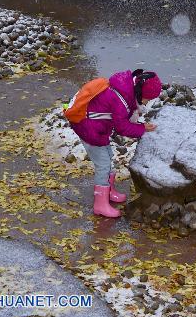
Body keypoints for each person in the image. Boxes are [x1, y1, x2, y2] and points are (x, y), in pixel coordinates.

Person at [66, 68, 162, 218]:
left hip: (97, 127)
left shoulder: (124, 89)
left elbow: (122, 115)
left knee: (108, 156)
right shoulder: (119, 100)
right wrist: (141, 128)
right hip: (88, 129)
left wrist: (138, 119)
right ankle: (100, 204)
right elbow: (122, 127)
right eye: (147, 99)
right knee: (103, 164)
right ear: (139, 92)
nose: (147, 103)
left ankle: (108, 191)